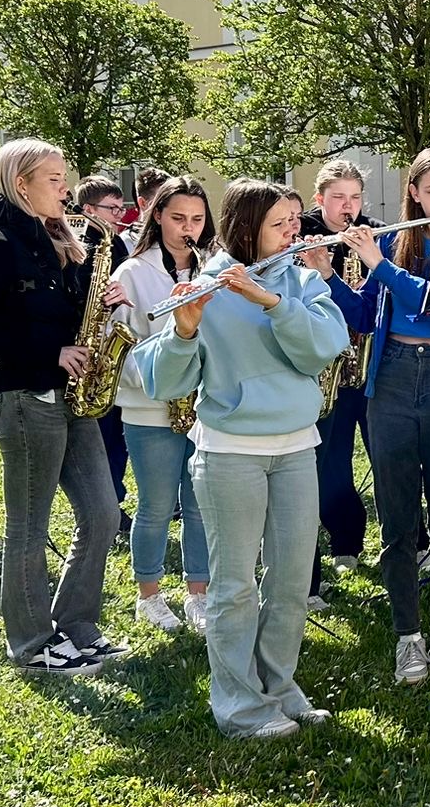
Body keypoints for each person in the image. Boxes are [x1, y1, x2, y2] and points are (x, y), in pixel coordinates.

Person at [135, 181, 349, 740]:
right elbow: (165, 380)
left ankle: (279, 688)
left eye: (296, 221)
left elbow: (324, 347)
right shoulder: (205, 286)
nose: (294, 232)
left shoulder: (303, 280)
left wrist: (271, 303)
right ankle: (239, 706)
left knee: (290, 581)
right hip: (230, 453)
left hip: (298, 447)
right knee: (234, 587)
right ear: (247, 228)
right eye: (281, 224)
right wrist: (182, 332)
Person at [0, 140, 127, 675]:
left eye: (64, 176)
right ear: (21, 183)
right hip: (26, 396)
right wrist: (49, 351)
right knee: (28, 525)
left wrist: (100, 306)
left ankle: (76, 627)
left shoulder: (63, 242)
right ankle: (30, 644)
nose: (64, 187)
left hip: (73, 397)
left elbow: (64, 315)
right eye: (53, 178)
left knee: (102, 512)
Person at [346, 147, 430, 687]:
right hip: (394, 382)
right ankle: (408, 635)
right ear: (415, 195)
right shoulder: (391, 242)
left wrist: (381, 267)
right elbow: (363, 312)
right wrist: (327, 274)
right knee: (398, 521)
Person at [109, 175, 216, 634]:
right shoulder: (131, 272)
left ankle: (199, 593)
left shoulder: (213, 267)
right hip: (151, 405)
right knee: (154, 506)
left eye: (196, 218)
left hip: (204, 406)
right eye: (177, 218)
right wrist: (161, 374)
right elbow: (119, 341)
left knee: (198, 506)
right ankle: (148, 595)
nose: (188, 228)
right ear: (156, 216)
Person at [300, 159, 380, 597]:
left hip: (368, 368)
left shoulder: (373, 234)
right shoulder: (306, 233)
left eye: (354, 198)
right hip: (327, 370)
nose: (348, 207)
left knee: (384, 459)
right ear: (320, 200)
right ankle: (334, 546)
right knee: (329, 464)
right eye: (338, 198)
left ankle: (380, 542)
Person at [73, 175, 134, 539]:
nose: (119, 215)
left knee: (116, 439)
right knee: (102, 437)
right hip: (88, 346)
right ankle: (101, 509)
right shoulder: (77, 246)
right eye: (112, 209)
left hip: (110, 345)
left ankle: (114, 504)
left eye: (120, 207)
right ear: (89, 211)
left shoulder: (117, 246)